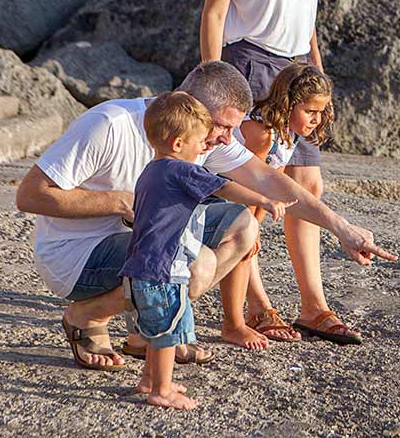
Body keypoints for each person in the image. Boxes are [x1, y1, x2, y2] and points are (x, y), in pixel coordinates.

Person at [16, 61, 396, 371]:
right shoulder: (111, 125)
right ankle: (87, 315)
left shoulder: (204, 137)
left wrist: (341, 228)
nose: (229, 138)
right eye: (225, 126)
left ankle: (146, 332)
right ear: (188, 106)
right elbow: (30, 195)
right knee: (196, 265)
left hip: (135, 246)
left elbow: (267, 180)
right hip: (77, 255)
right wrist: (119, 202)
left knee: (242, 225)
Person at [200, 0, 356, 344]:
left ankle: (313, 305)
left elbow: (307, 22)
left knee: (307, 183)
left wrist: (319, 79)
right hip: (249, 67)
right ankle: (256, 301)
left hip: (295, 73)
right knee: (253, 189)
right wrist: (214, 86)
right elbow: (215, 13)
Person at [121, 91, 294, 410]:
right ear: (177, 144)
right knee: (166, 333)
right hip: (161, 271)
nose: (205, 147)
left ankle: (150, 378)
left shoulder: (151, 170)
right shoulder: (180, 170)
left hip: (138, 269)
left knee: (158, 328)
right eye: (200, 141)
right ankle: (160, 390)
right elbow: (223, 186)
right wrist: (265, 200)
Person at [220, 62, 351, 345]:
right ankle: (245, 316)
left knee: (251, 242)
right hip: (222, 194)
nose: (316, 119)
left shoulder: (286, 133)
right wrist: (251, 228)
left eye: (321, 112)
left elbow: (272, 186)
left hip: (248, 196)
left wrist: (257, 226)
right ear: (289, 104)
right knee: (245, 245)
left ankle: (253, 312)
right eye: (310, 111)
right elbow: (251, 181)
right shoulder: (262, 132)